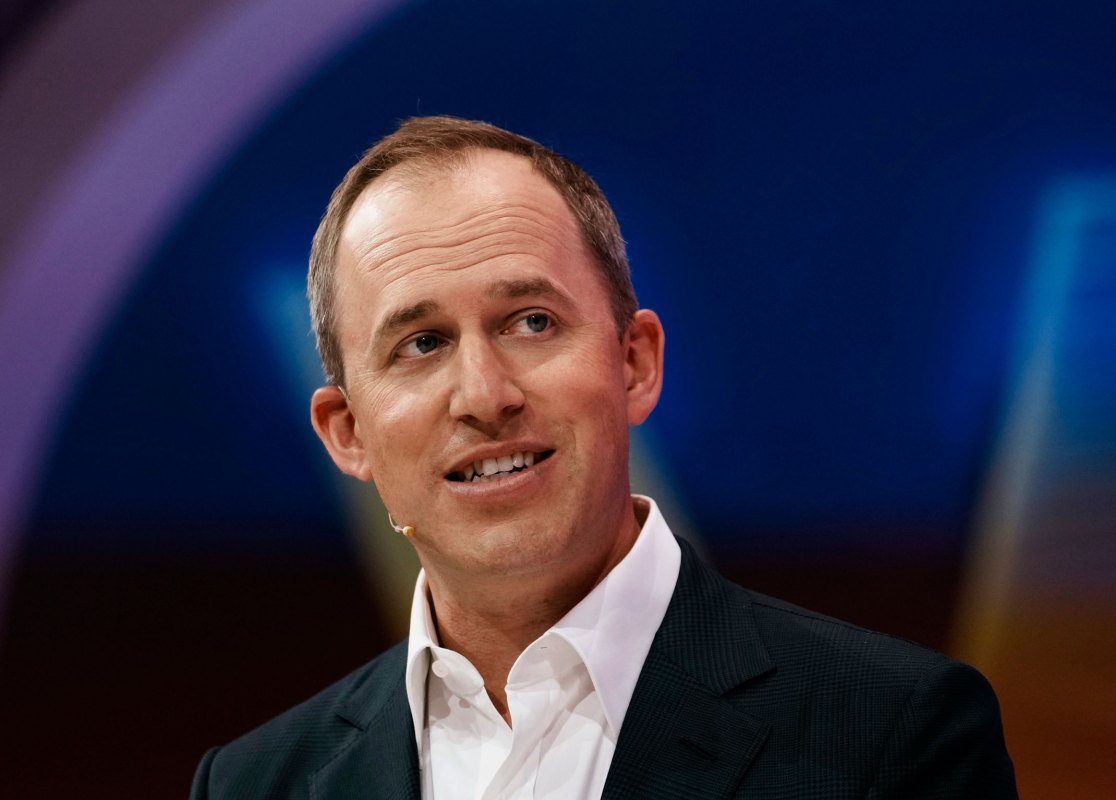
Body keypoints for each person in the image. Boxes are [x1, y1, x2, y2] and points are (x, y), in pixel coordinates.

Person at [190, 116, 1017, 799]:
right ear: (348, 433)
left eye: (531, 322)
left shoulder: (893, 735)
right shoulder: (252, 785)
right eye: (422, 343)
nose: (484, 394)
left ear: (635, 363)